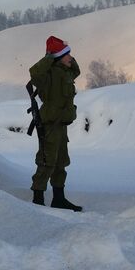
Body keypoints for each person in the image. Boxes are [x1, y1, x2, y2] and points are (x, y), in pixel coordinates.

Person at [28, 36, 83, 211]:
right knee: (46, 162)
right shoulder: (48, 75)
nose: (71, 58)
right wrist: (50, 56)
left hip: (61, 125)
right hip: (50, 125)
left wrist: (65, 55)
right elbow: (34, 72)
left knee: (61, 162)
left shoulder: (66, 72)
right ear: (58, 57)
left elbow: (77, 71)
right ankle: (38, 200)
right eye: (67, 55)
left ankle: (59, 199)